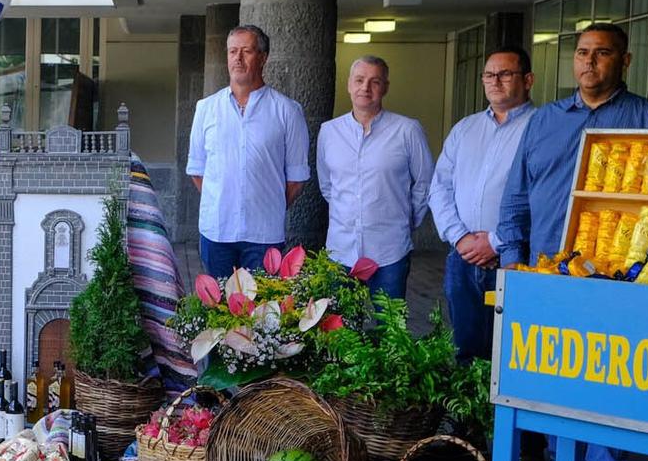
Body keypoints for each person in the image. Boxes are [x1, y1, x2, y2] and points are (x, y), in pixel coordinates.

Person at [495, 23, 648, 461]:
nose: (589, 63)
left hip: (618, 276)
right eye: (582, 53)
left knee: (606, 375)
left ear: (625, 60)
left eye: (602, 54)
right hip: (547, 270)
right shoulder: (545, 121)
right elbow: (516, 194)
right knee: (554, 369)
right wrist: (512, 260)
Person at [430, 46, 537, 360]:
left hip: (514, 257)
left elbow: (545, 198)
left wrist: (495, 241)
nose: (496, 81)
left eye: (505, 74)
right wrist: (461, 238)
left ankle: (500, 411)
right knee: (465, 347)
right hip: (462, 259)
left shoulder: (542, 127)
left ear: (528, 79)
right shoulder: (466, 128)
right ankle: (466, 411)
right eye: (489, 75)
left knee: (511, 352)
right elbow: (439, 188)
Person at [186, 24, 311, 277]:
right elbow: (198, 171)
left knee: (262, 313)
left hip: (264, 234)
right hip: (217, 231)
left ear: (263, 58)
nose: (237, 58)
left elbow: (296, 179)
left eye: (246, 51)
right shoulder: (206, 108)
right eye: (232, 52)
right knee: (217, 309)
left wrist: (268, 204)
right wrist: (224, 200)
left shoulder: (288, 111)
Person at [316, 56, 434, 300]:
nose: (365, 88)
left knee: (390, 332)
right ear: (349, 84)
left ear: (385, 87)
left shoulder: (407, 130)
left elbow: (425, 183)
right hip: (340, 251)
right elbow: (328, 186)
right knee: (343, 333)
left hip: (390, 250)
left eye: (374, 81)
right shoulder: (329, 132)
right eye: (359, 80)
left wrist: (405, 220)